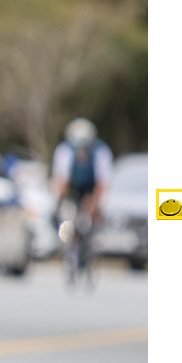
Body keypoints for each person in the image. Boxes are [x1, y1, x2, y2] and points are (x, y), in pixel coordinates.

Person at [50, 117, 113, 277]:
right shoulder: (64, 151)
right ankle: (70, 253)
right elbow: (62, 180)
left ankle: (95, 241)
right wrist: (59, 203)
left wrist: (95, 203)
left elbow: (102, 182)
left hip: (91, 187)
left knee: (95, 214)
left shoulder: (101, 151)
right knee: (69, 218)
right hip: (73, 188)